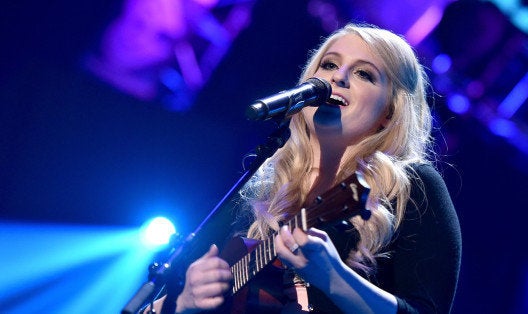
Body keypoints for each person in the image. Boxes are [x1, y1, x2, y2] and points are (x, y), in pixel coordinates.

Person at [148, 23, 461, 314]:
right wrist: (183, 302)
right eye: (328, 65)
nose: (337, 78)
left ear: (389, 113)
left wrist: (334, 278)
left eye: (364, 74)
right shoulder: (263, 185)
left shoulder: (412, 187)